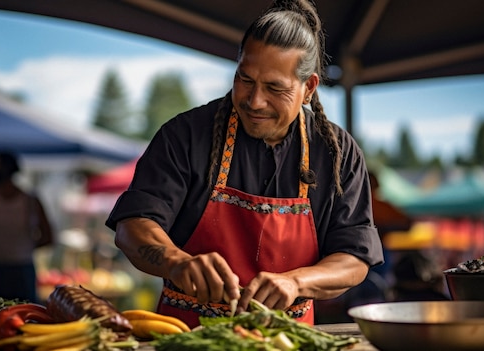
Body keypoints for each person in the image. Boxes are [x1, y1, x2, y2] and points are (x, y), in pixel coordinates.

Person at [107, 0, 383, 328]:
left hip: (288, 342)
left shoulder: (337, 153)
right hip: (189, 338)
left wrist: (296, 282)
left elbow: (355, 258)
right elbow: (133, 226)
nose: (254, 101)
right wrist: (176, 262)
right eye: (245, 79)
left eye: (274, 88)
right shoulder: (185, 135)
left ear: (308, 87)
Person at [0, 152, 54, 303]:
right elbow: (48, 237)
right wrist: (23, 247)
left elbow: (48, 237)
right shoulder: (30, 200)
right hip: (14, 268)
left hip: (0, 268)